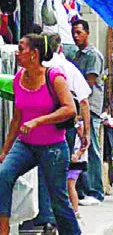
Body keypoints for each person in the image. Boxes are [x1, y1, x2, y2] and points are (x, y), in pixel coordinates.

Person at [0, 34, 80, 235]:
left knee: (58, 200)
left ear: (34, 54)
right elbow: (17, 119)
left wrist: (38, 121)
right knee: (3, 175)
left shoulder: (54, 77)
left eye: (21, 48)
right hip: (25, 145)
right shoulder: (19, 78)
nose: (17, 53)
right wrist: (5, 151)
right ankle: (3, 229)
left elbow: (70, 109)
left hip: (53, 147)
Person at [37, 35, 91, 230]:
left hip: (39, 126)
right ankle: (61, 220)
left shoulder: (35, 69)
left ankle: (46, 216)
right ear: (59, 48)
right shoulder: (66, 68)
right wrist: (86, 133)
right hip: (63, 127)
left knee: (43, 173)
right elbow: (83, 100)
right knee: (60, 176)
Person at [70, 20, 105, 206]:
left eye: (79, 32)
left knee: (91, 148)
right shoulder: (77, 56)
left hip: (89, 108)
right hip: (79, 108)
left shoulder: (93, 56)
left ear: (87, 33)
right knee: (81, 148)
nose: (76, 36)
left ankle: (96, 191)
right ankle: (83, 190)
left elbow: (88, 83)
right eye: (74, 33)